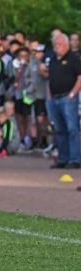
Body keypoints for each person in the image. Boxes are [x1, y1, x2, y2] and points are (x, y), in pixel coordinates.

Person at [39, 33, 81, 169]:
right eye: (55, 45)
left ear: (66, 45)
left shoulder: (74, 58)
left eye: (59, 45)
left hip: (67, 97)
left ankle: (75, 159)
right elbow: (51, 77)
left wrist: (73, 93)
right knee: (59, 130)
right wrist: (50, 96)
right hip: (54, 98)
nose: (57, 47)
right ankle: (63, 158)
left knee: (72, 129)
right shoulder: (53, 60)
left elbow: (80, 77)